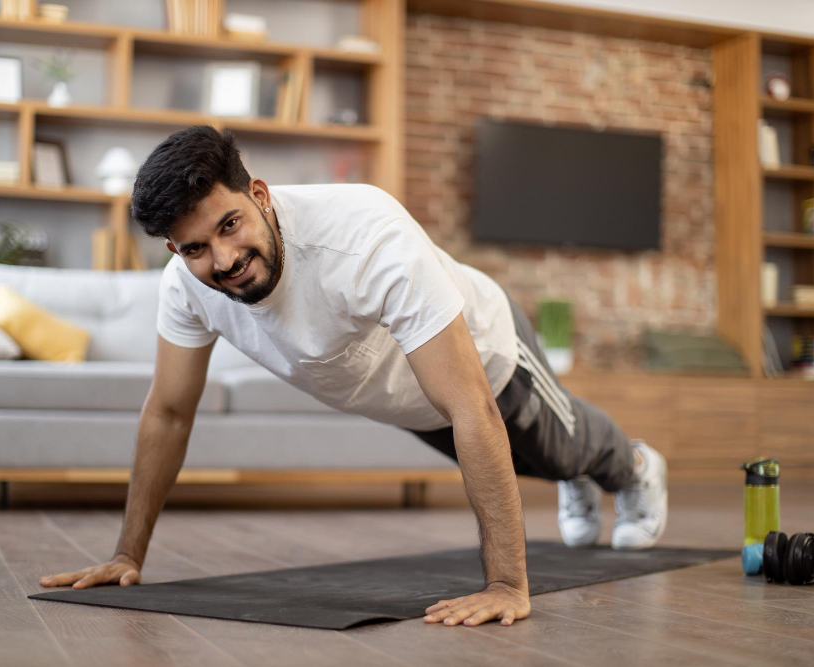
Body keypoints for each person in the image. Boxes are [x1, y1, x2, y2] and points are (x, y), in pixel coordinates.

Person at [39, 125, 668, 628]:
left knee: (563, 444)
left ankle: (633, 467)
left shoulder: (364, 235)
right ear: (175, 251)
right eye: (196, 248)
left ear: (258, 194)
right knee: (536, 460)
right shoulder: (185, 289)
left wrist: (506, 584)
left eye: (229, 225)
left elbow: (473, 406)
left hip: (487, 357)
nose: (224, 260)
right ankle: (573, 476)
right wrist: (129, 553)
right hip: (406, 399)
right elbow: (170, 412)